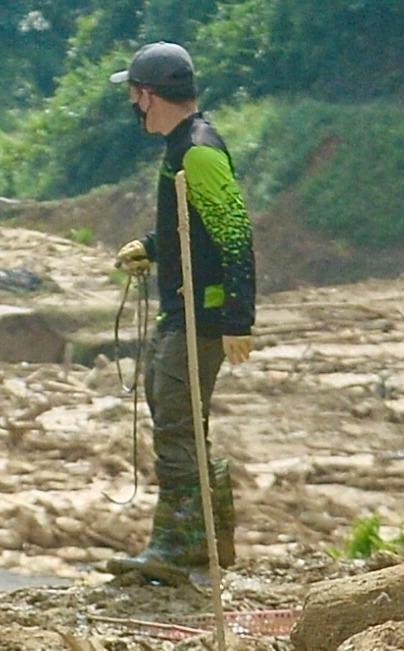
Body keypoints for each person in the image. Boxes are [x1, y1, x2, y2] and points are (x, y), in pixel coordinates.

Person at [107, 42, 256, 585]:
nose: (132, 105)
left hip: (203, 315)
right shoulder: (182, 147)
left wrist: (239, 320)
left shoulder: (197, 151)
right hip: (186, 309)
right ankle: (210, 540)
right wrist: (151, 245)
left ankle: (177, 545)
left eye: (133, 95)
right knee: (180, 418)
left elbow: (235, 238)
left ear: (148, 95)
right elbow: (187, 230)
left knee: (175, 423)